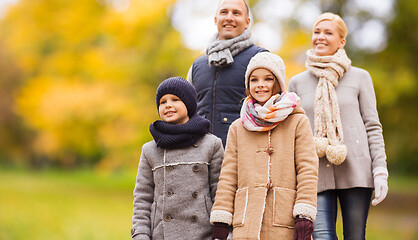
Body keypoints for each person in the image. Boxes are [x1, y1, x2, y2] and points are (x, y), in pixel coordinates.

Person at [288, 12, 389, 240]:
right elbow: (293, 132)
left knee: (355, 236)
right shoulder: (297, 82)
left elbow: (372, 126)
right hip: (315, 172)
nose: (320, 37)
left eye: (328, 32)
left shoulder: (360, 77)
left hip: (356, 170)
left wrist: (380, 170)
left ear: (341, 41)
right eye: (317, 32)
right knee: (323, 236)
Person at [210, 52, 319, 240]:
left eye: (268, 79)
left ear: (278, 83)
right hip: (247, 220)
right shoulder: (238, 127)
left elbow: (307, 169)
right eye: (254, 80)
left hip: (284, 220)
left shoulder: (297, 122)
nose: (260, 84)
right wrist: (221, 217)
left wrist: (304, 214)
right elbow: (228, 175)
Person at [130, 77, 224, 240]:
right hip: (162, 234)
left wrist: (221, 232)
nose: (168, 105)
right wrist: (140, 234)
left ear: (189, 104)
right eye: (162, 102)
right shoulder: (150, 149)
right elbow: (142, 198)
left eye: (175, 99)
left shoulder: (211, 144)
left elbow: (220, 192)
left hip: (203, 233)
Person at [187, 0, 267, 147]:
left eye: (236, 13)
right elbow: (187, 114)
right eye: (224, 12)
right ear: (216, 19)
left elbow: (272, 110)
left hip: (243, 153)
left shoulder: (260, 58)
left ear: (247, 22)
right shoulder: (197, 65)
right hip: (201, 156)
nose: (229, 17)